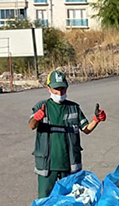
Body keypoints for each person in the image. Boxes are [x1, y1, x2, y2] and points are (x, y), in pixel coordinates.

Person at [29, 70, 106, 198]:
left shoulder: (73, 108)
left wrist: (96, 120)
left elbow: (86, 129)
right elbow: (31, 125)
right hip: (48, 165)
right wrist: (37, 118)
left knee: (71, 198)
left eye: (63, 89)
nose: (60, 93)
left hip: (69, 163)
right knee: (44, 199)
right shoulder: (42, 106)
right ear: (48, 88)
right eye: (56, 89)